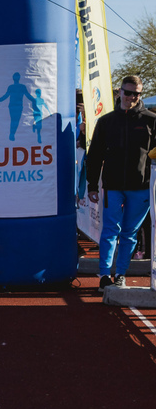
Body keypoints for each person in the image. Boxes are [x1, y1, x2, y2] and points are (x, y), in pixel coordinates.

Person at [87, 75, 156, 288]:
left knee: (129, 233)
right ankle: (104, 275)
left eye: (137, 94)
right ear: (120, 92)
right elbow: (94, 155)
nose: (132, 97)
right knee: (110, 230)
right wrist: (91, 185)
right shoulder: (106, 121)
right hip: (113, 185)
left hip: (141, 187)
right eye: (128, 93)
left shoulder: (151, 120)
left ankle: (121, 274)